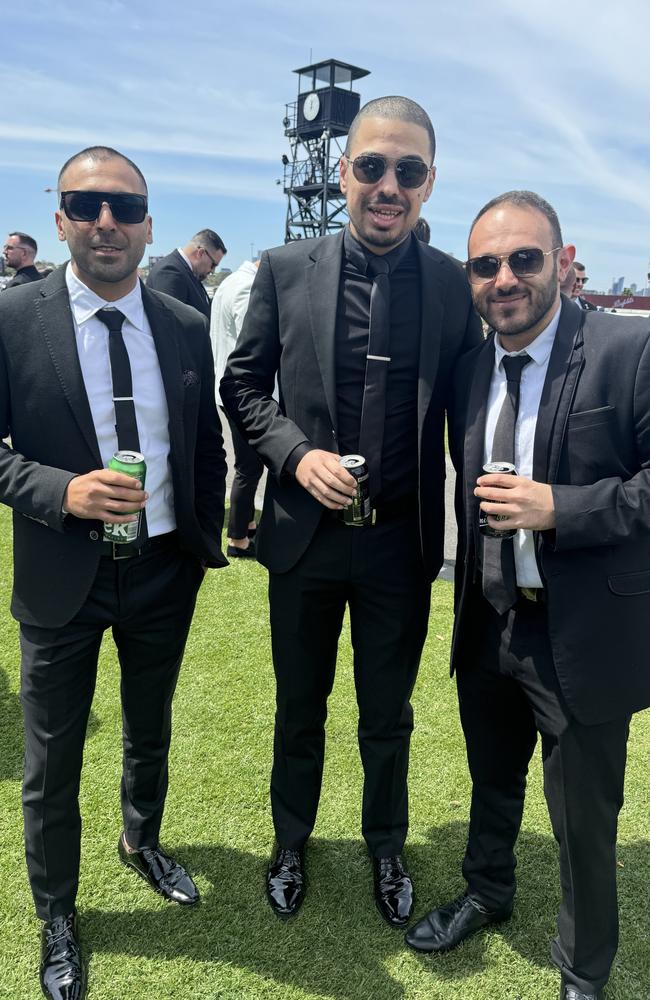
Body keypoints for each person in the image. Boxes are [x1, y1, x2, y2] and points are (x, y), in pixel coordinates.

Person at [221, 96, 482, 927]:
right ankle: (290, 842)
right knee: (301, 708)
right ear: (343, 173)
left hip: (399, 550)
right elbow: (243, 386)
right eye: (372, 166)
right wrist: (297, 455)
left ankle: (387, 846)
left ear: (429, 183)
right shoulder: (284, 267)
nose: (388, 185)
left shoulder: (451, 286)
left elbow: (477, 403)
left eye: (408, 171)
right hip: (304, 542)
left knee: (387, 715)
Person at [406, 190, 650, 1000]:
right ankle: (488, 889)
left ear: (562, 261)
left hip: (582, 633)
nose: (504, 278)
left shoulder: (628, 349)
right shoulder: (469, 369)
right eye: (485, 265)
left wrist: (562, 507)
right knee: (492, 776)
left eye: (523, 259)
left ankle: (584, 972)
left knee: (584, 819)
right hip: (490, 618)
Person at [0, 145, 228, 1000]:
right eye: (86, 204)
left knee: (150, 726)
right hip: (64, 575)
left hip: (164, 571)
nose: (107, 222)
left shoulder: (181, 321)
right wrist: (63, 489)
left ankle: (142, 839)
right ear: (59, 218)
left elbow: (202, 442)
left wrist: (204, 544)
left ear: (148, 226)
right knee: (52, 759)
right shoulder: (15, 317)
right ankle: (56, 909)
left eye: (125, 208)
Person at [211, 259, 263, 558]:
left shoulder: (230, 282)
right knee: (249, 466)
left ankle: (248, 523)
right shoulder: (245, 286)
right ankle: (238, 538)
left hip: (227, 384)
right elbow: (252, 338)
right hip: (242, 390)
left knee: (248, 463)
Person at [147, 229, 227, 319]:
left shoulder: (190, 273)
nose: (213, 271)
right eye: (213, 265)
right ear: (200, 253)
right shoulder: (170, 272)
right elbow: (172, 324)